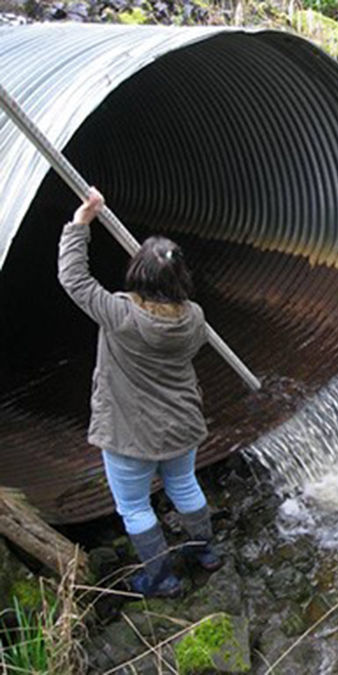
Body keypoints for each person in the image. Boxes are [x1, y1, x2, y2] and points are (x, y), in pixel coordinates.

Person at [58, 187, 222, 598]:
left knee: (134, 506)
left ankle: (161, 578)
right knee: (183, 485)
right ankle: (206, 552)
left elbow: (73, 278)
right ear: (181, 277)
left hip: (131, 435)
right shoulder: (195, 317)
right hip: (182, 425)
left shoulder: (120, 315)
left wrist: (81, 223)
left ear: (138, 275)